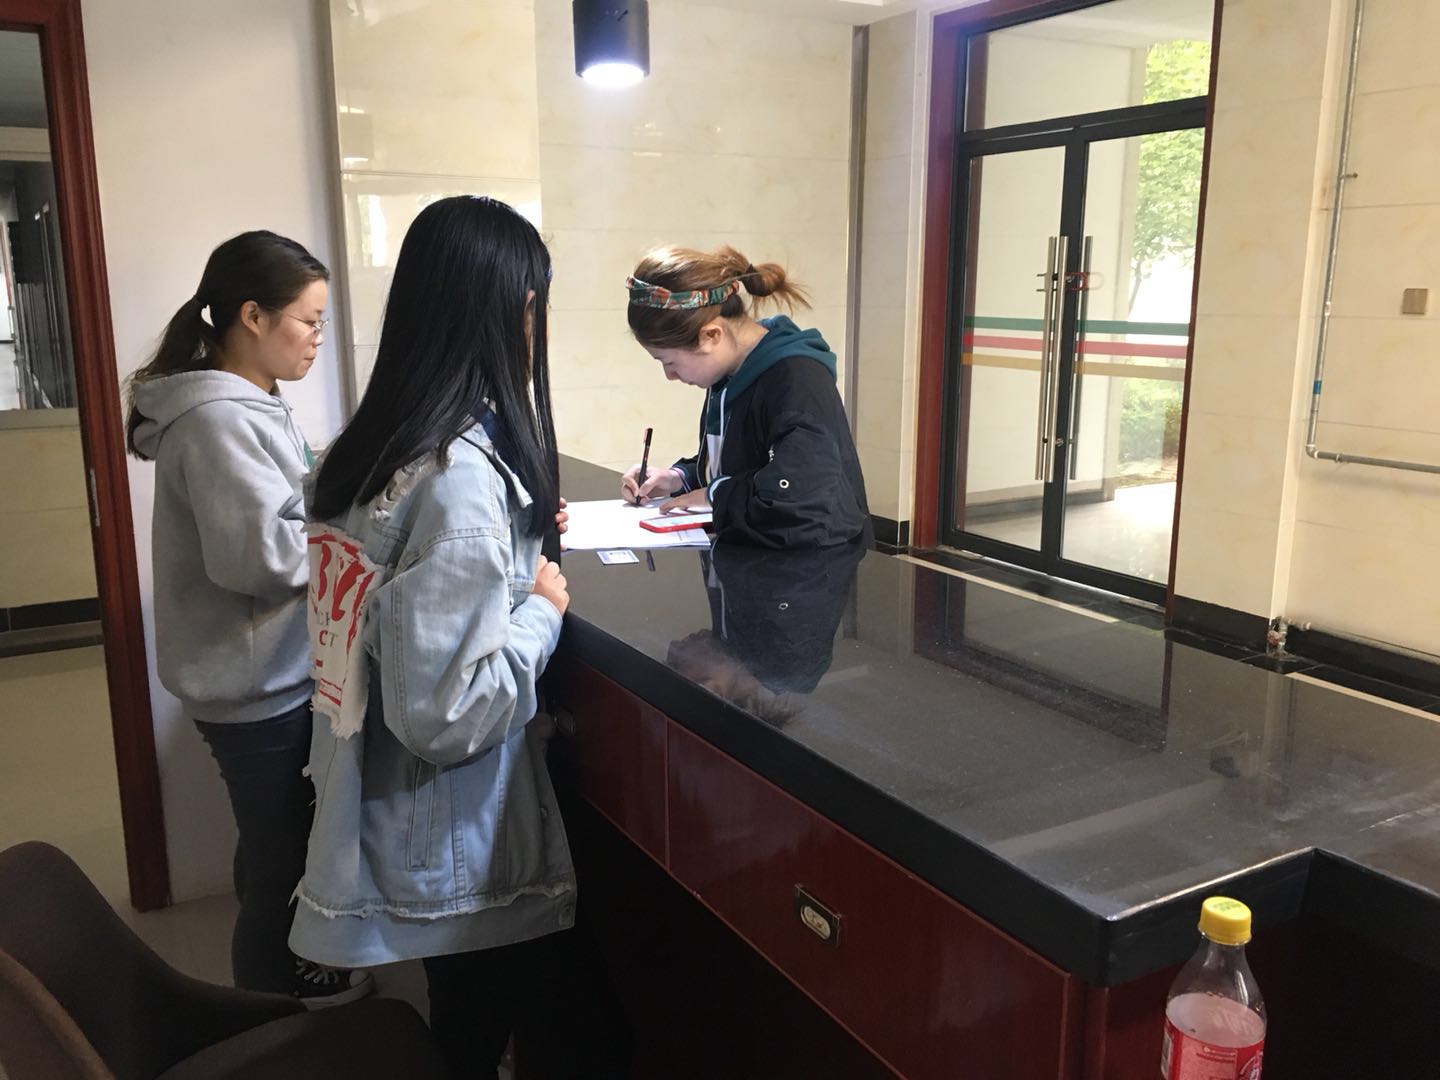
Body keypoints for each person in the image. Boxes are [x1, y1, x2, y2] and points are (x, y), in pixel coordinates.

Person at [294, 196, 625, 1080]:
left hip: (387, 806)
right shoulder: (457, 480)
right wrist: (541, 606)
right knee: (557, 1027)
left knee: (470, 1016)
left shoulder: (368, 448)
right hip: (451, 832)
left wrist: (511, 538)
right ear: (515, 310)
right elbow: (449, 713)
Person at [126, 231, 371, 1005]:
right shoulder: (218, 420)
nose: (317, 338)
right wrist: (354, 544)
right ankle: (271, 1008)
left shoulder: (251, 404)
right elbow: (257, 559)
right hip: (256, 685)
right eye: (309, 321)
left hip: (265, 674)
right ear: (253, 316)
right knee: (282, 861)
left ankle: (288, 977)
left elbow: (282, 507)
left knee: (272, 844)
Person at [621, 245, 872, 549]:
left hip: (814, 565)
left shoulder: (798, 381)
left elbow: (799, 499)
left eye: (669, 362)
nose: (670, 376)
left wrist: (714, 494)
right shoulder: (729, 375)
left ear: (712, 335)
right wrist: (679, 477)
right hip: (754, 558)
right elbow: (741, 464)